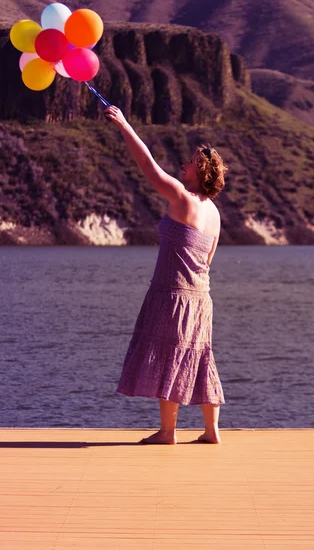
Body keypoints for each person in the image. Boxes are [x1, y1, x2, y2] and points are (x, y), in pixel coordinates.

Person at [105, 105, 228, 445]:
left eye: (189, 161)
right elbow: (207, 258)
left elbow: (147, 165)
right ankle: (211, 430)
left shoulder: (182, 197)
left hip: (172, 295)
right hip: (201, 297)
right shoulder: (215, 213)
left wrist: (125, 125)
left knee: (169, 357)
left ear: (199, 171)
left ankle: (168, 432)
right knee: (200, 357)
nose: (183, 164)